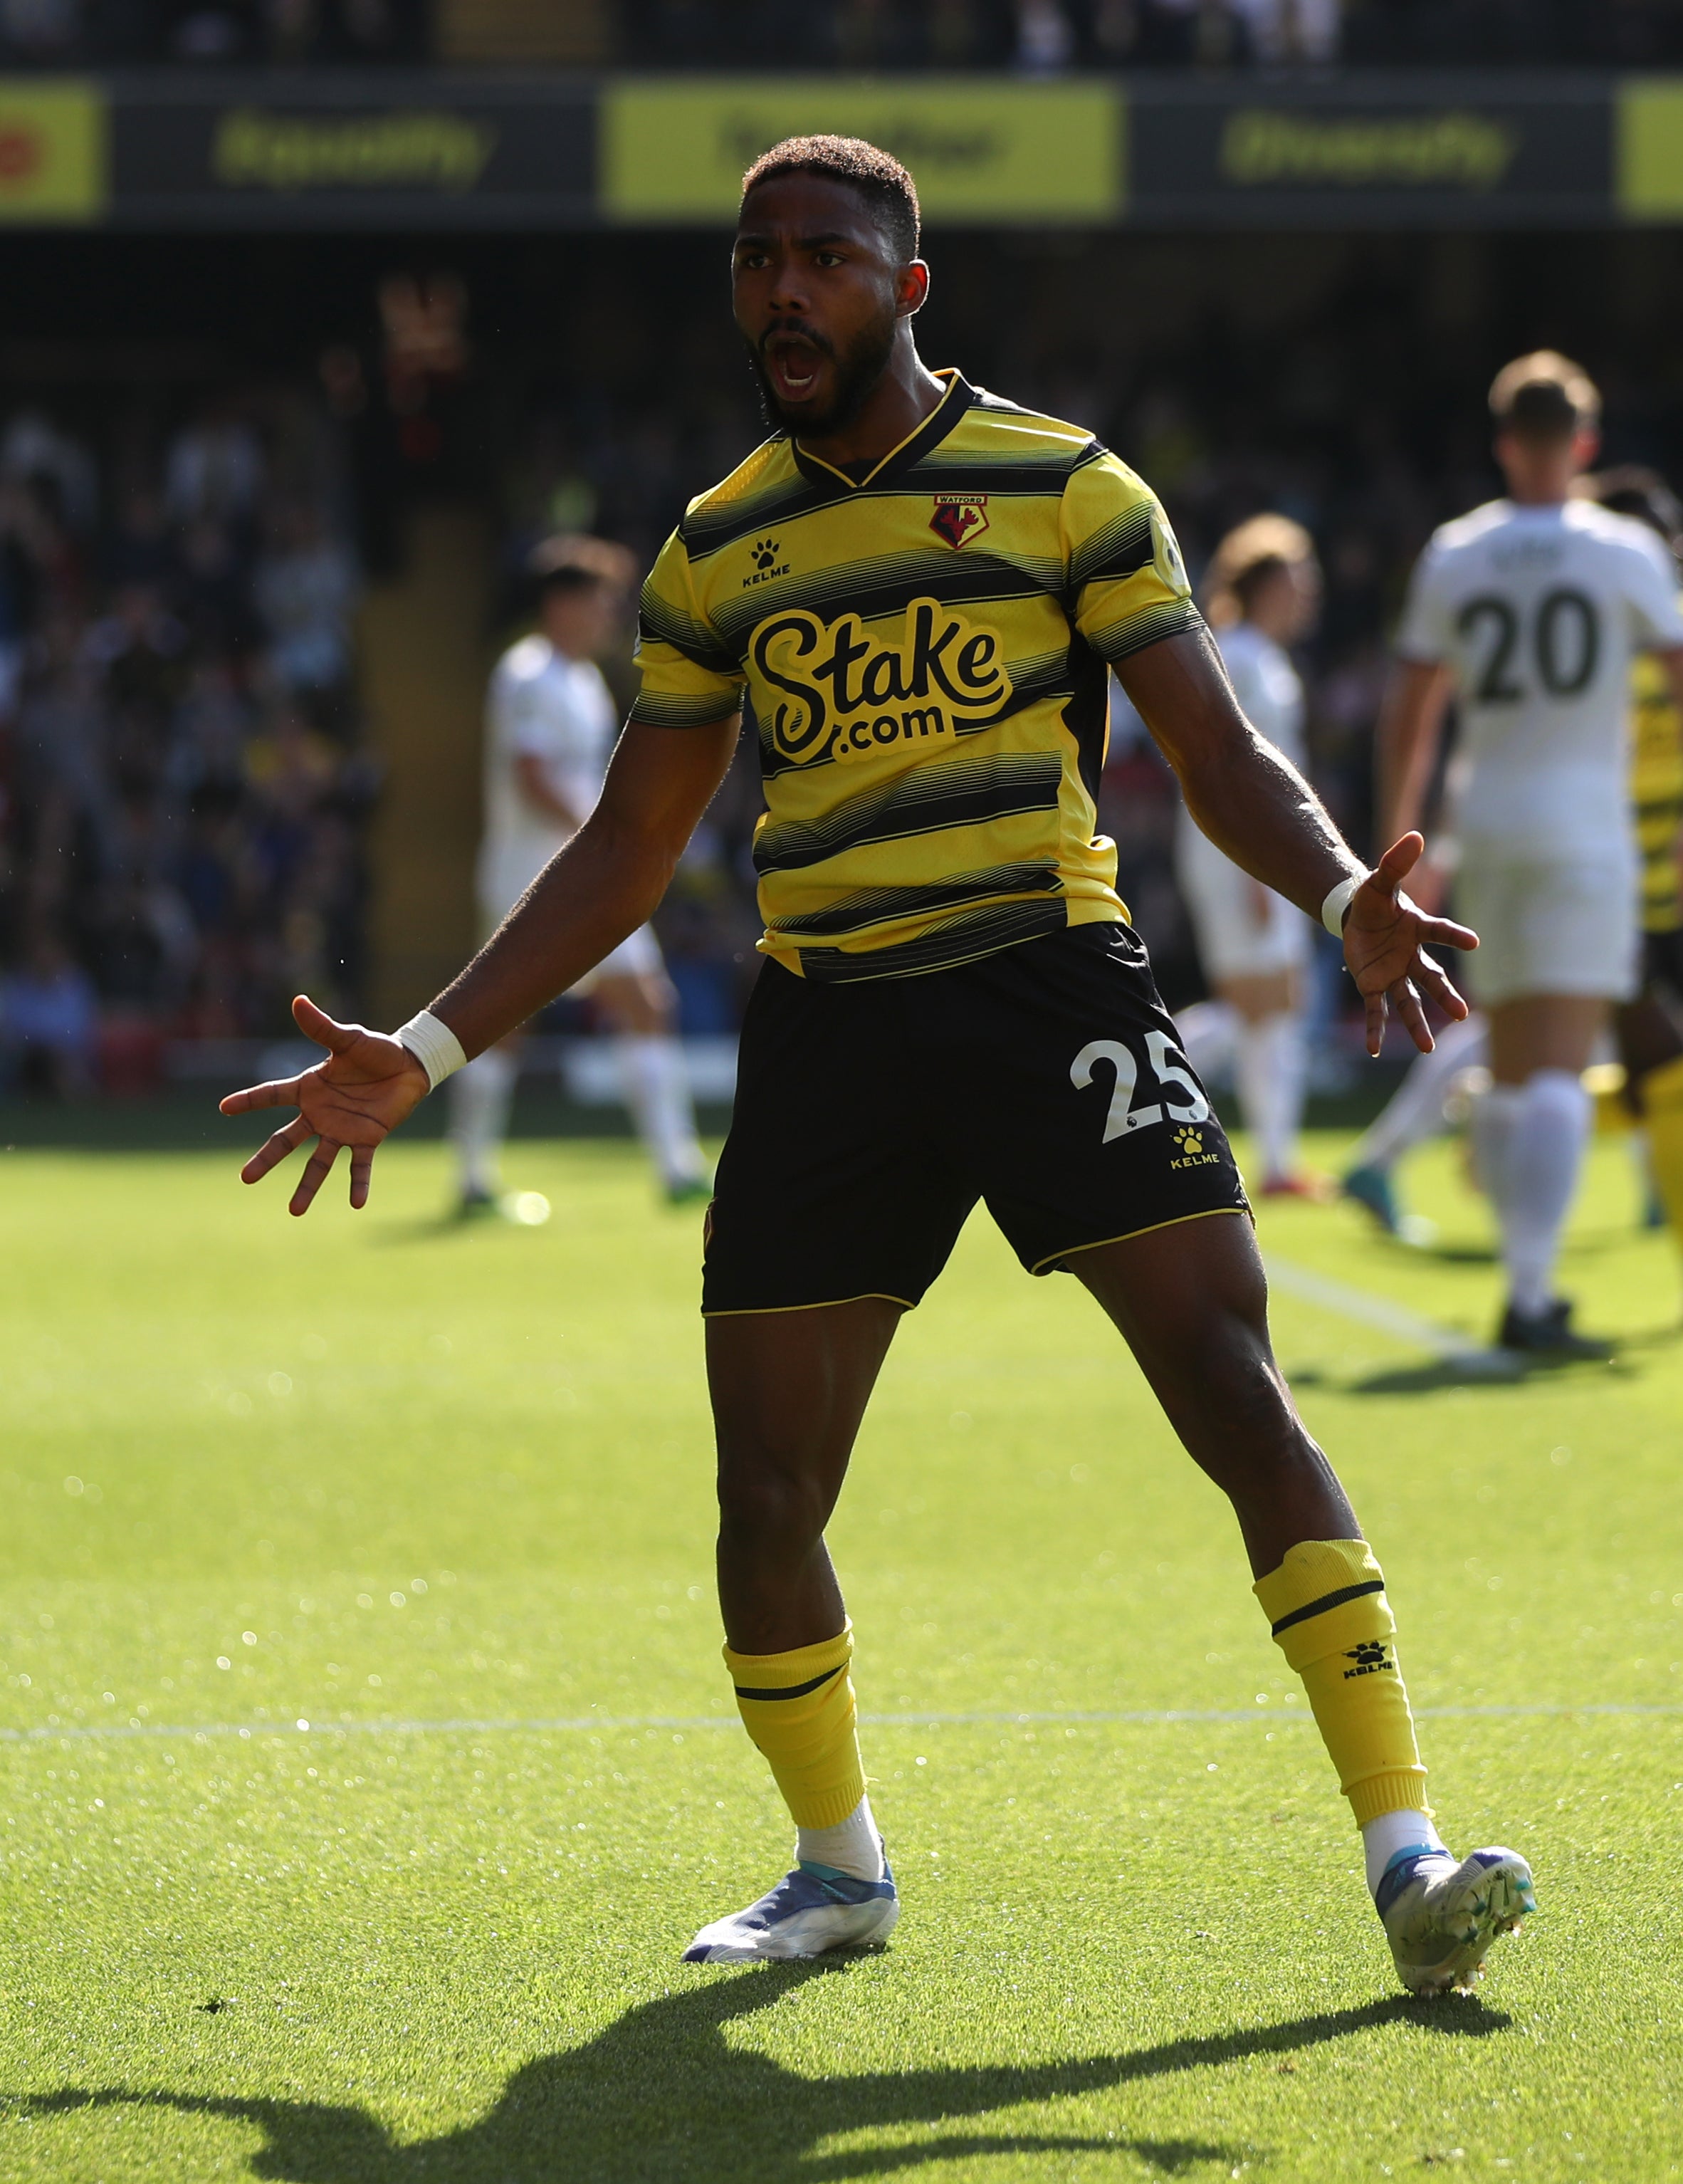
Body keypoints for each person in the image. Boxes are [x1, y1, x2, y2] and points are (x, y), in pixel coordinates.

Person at [223, 137, 1532, 1995]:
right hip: (829, 1018)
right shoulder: (709, 546)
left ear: (906, 287)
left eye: (823, 258)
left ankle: (1406, 1855)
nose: (781, 289)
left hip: (1047, 987)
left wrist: (1337, 888)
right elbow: (624, 844)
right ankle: (834, 1867)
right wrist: (429, 1047)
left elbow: (1211, 744)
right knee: (764, 1492)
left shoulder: (1066, 486)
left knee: (1231, 1384)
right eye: (756, 258)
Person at [1378, 355, 1683, 1354]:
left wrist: (1400, 839)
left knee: (1513, 1066)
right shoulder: (1624, 546)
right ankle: (1532, 1294)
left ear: (1506, 442)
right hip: (1586, 827)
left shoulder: (1457, 551)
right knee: (1561, 1064)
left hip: (1488, 824)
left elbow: (1411, 711)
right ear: (1586, 443)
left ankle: (1525, 1278)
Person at [448, 535, 709, 1212]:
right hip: (535, 875)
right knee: (505, 1022)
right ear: (562, 602)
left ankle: (678, 1166)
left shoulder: (582, 680)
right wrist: (609, 837)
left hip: (588, 874)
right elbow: (531, 774)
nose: (609, 614)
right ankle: (472, 1177)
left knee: (645, 1004)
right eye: (600, 600)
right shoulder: (529, 672)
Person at [1173, 516, 1322, 1196]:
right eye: (1296, 579)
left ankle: (1278, 1163)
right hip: (1240, 848)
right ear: (1264, 584)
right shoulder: (1235, 653)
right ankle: (1137, 1077)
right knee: (1255, 1005)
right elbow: (1226, 767)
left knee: (1275, 1004)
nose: (1308, 593)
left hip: (1254, 847)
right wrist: (1256, 865)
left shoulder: (1260, 654)